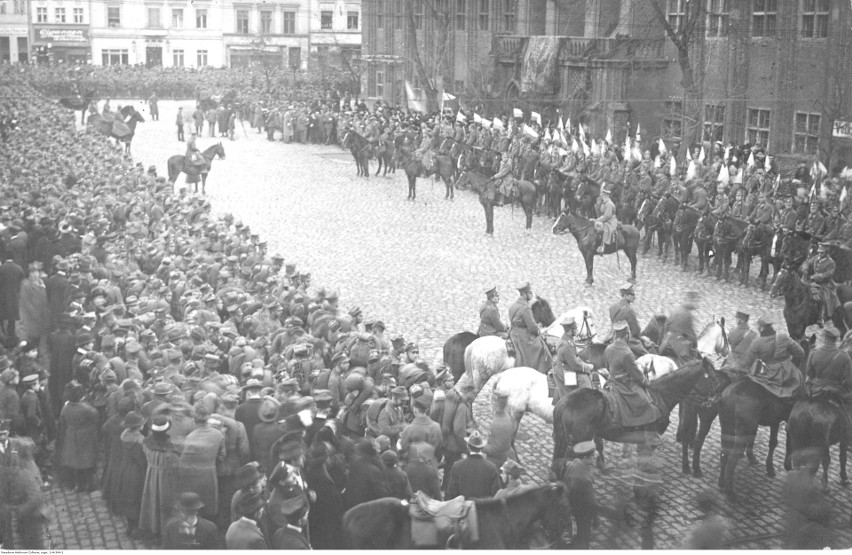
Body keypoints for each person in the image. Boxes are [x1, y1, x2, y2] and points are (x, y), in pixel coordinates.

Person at [605, 321, 661, 427]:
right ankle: (640, 426)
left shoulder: (608, 348)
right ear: (627, 335)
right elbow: (636, 374)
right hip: (623, 384)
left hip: (611, 381)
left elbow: (607, 366)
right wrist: (646, 382)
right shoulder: (626, 352)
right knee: (644, 400)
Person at [804, 324, 852, 445]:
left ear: (825, 338)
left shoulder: (814, 352)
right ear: (836, 340)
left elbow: (809, 372)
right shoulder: (844, 356)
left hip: (815, 389)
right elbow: (850, 380)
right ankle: (848, 435)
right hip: (835, 390)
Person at [738, 315, 804, 398]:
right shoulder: (784, 337)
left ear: (761, 328)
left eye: (758, 327)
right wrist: (793, 366)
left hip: (770, 375)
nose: (758, 329)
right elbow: (800, 353)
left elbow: (746, 363)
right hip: (789, 373)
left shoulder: (757, 342)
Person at [562, 440, 601, 549]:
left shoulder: (573, 463)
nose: (596, 456)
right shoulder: (584, 480)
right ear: (585, 459)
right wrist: (596, 518)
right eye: (593, 456)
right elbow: (592, 502)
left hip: (570, 504)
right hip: (582, 511)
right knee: (584, 536)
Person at [508, 282, 552, 373]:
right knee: (540, 346)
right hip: (522, 336)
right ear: (524, 294)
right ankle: (538, 370)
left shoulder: (513, 305)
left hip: (513, 333)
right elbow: (532, 326)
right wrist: (538, 330)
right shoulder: (526, 308)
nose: (531, 294)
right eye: (529, 293)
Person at [551, 314, 594, 402]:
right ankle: (587, 403)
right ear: (570, 331)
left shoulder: (565, 339)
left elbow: (573, 357)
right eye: (575, 329)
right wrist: (587, 367)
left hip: (561, 366)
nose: (577, 330)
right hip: (564, 371)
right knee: (584, 380)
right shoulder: (568, 345)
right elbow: (575, 365)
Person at [446, 430, 501, 499]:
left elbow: (451, 492)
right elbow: (496, 494)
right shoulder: (492, 467)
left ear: (468, 446)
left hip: (463, 507)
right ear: (482, 447)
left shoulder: (457, 466)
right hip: (483, 508)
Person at [802, 242, 838, 325]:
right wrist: (806, 268)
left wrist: (815, 276)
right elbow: (807, 262)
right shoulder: (815, 258)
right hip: (813, 281)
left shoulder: (831, 263)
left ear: (826, 253)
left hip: (825, 283)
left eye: (822, 252)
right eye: (819, 252)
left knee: (822, 298)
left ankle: (821, 317)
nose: (820, 254)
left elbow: (827, 274)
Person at [608, 283, 649, 356]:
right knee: (647, 355)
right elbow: (636, 331)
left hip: (614, 337)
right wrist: (640, 338)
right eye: (632, 294)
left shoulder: (612, 307)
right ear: (626, 296)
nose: (634, 297)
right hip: (626, 340)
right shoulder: (629, 310)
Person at [660, 291, 700, 361]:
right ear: (690, 300)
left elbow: (666, 326)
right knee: (695, 363)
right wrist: (696, 345)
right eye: (695, 301)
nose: (696, 304)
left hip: (665, 343)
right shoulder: (687, 315)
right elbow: (691, 336)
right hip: (676, 346)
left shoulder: (676, 309)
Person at [595, 183, 618, 254]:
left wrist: (598, 220)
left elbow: (607, 216)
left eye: (602, 194)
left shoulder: (609, 204)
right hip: (605, 219)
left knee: (605, 228)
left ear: (605, 195)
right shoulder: (605, 202)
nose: (601, 195)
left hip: (610, 221)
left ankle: (603, 246)